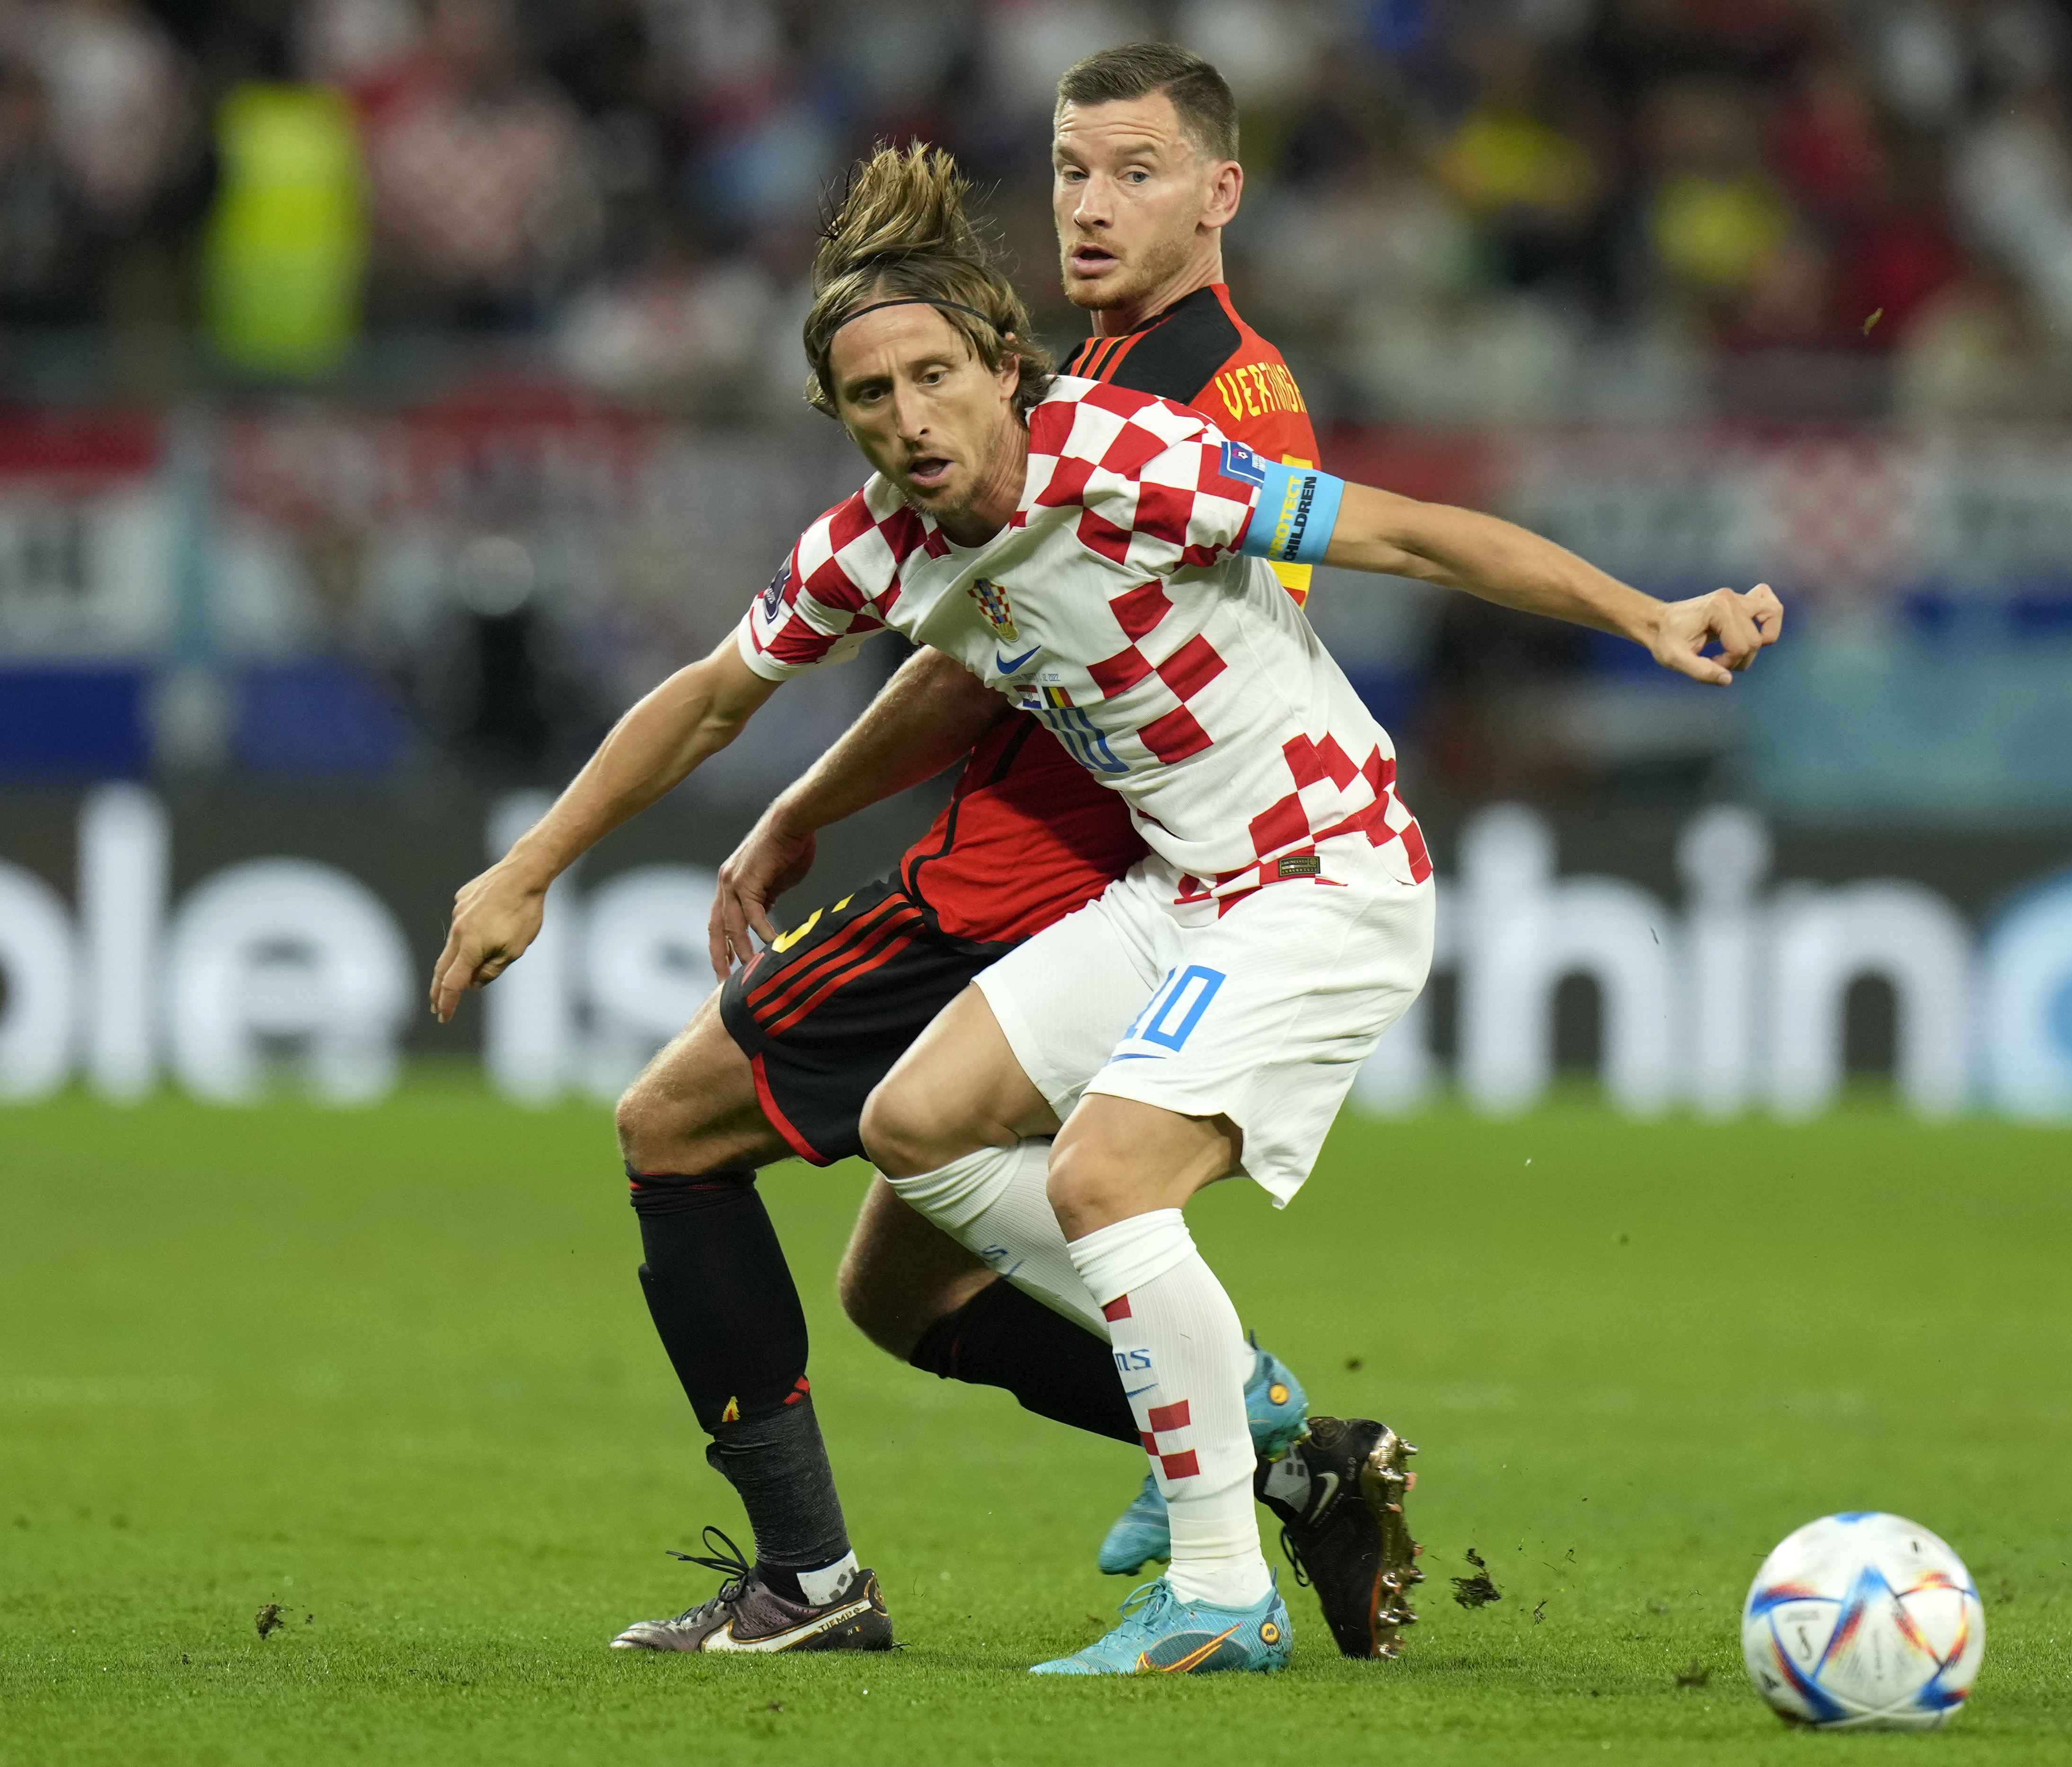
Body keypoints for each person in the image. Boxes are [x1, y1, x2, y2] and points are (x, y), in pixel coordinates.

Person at [738, 144, 1777, 1675]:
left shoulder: (1151, 449)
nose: (907, 417)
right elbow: (723, 693)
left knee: (1101, 1185)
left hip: (1323, 874)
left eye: (933, 379)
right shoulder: (891, 537)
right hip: (1185, 885)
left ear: (998, 369)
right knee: (913, 1127)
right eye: (873, 396)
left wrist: (1644, 613)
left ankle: (1222, 1587)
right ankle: (1237, 1403)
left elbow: (1413, 534)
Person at [429, 45, 1405, 1660]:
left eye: (1134, 173)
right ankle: (1284, 1466)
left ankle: (831, 1581)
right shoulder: (1089, 368)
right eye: (1072, 171)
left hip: (1055, 865)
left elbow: (1106, 660)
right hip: (1061, 856)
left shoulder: (1191, 400)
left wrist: (805, 805)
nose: (1089, 205)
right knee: (907, 1292)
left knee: (673, 1126)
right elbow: (967, 625)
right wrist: (810, 801)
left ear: (1219, 192)